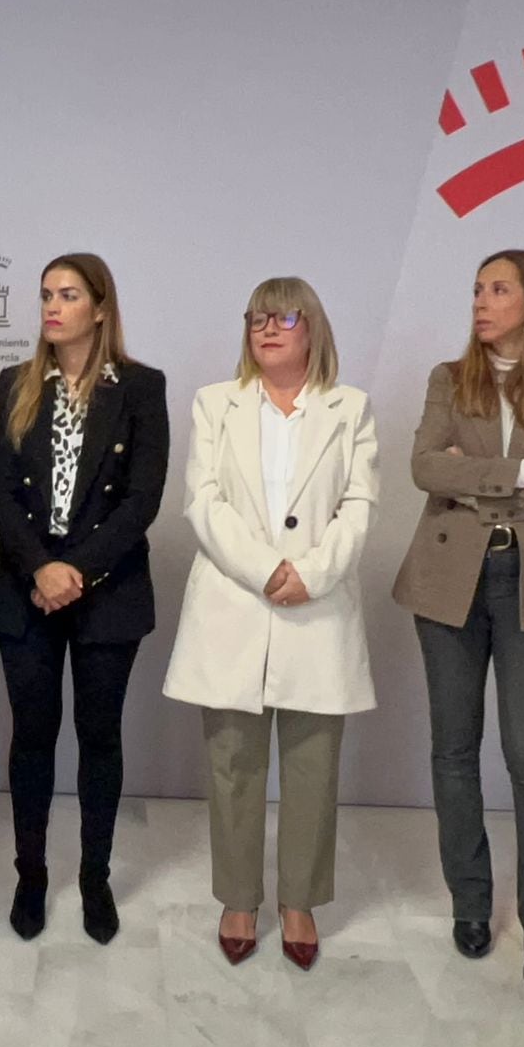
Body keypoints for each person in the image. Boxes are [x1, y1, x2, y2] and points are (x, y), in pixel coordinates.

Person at [391, 250, 524, 997]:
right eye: (477, 288)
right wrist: (521, 474)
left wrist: (479, 484)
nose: (481, 301)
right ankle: (470, 906)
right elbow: (423, 467)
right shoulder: (450, 379)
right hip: (449, 581)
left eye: (498, 289)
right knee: (453, 749)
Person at [163, 277, 378, 971]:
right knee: (232, 763)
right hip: (235, 602)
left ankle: (300, 901)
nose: (267, 327)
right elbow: (202, 502)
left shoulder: (351, 409)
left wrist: (310, 574)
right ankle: (237, 896)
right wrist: (266, 570)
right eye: (256, 317)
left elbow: (360, 506)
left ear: (312, 326)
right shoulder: (214, 405)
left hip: (318, 606)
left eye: (282, 315)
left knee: (314, 766)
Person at [0, 253, 169, 943]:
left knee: (99, 737)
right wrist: (41, 569)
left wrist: (77, 572)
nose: (52, 307)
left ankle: (95, 876)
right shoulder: (14, 384)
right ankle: (30, 875)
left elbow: (142, 501)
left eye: (67, 295)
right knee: (31, 737)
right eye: (45, 295)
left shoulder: (141, 388)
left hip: (107, 590)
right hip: (26, 587)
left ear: (100, 307)